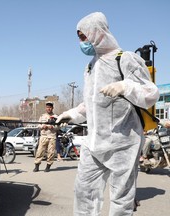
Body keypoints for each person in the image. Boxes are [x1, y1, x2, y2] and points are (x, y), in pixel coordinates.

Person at [55, 12, 159, 215]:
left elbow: (150, 93)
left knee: (121, 199)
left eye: (83, 36)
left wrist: (125, 86)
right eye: (79, 37)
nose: (81, 42)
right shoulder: (90, 66)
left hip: (123, 144)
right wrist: (71, 114)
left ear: (97, 33)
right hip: (94, 143)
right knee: (83, 192)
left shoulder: (125, 59)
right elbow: (91, 103)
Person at [33, 101, 59, 172]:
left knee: (51, 152)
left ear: (52, 108)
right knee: (40, 151)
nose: (49, 109)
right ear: (46, 108)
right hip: (43, 136)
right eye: (47, 107)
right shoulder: (42, 116)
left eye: (50, 107)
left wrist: (53, 127)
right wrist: (42, 126)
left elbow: (58, 127)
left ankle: (48, 166)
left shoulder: (56, 117)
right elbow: (38, 125)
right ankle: (37, 166)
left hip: (52, 136)